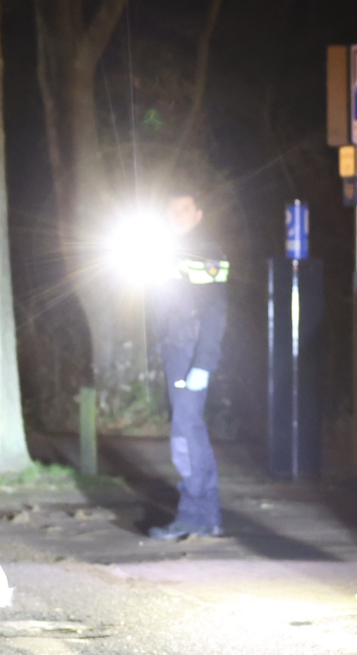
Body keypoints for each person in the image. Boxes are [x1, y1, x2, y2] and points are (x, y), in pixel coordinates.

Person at [146, 191, 230, 541]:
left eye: (184, 210)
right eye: (171, 211)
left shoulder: (206, 252)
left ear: (198, 214)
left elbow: (215, 311)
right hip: (177, 350)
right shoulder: (167, 252)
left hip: (191, 350)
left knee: (186, 431)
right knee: (185, 430)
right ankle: (203, 516)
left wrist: (204, 363)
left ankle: (197, 515)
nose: (177, 216)